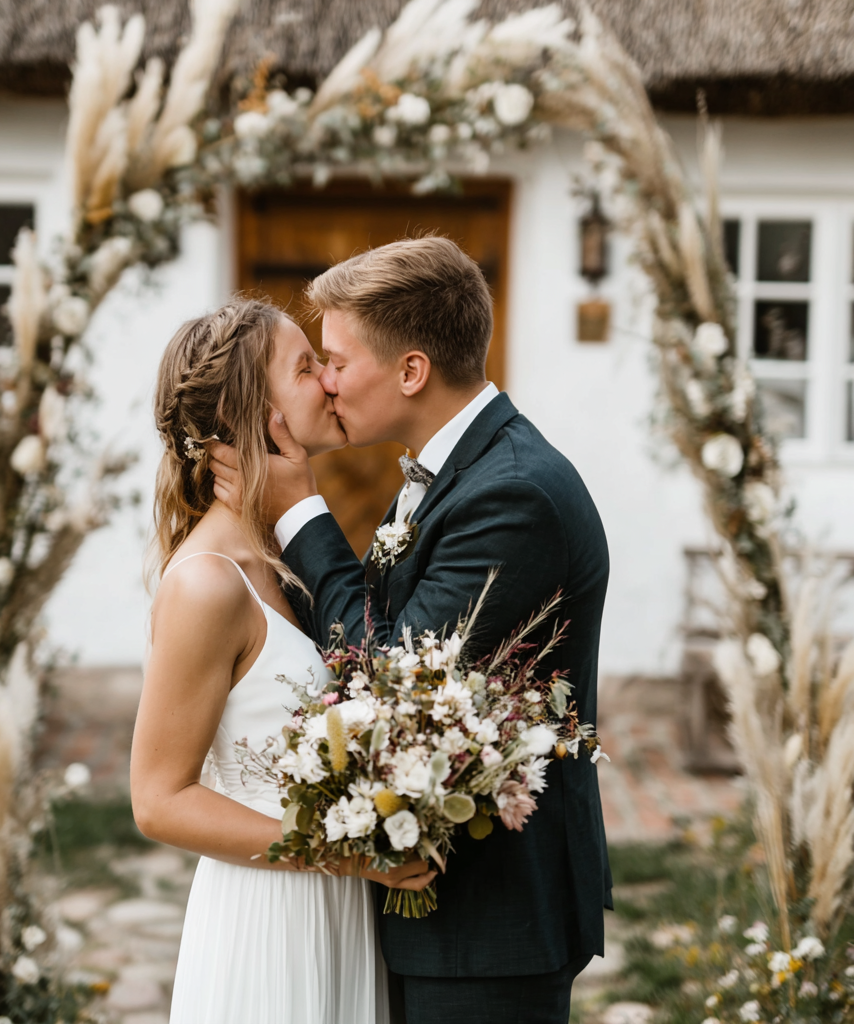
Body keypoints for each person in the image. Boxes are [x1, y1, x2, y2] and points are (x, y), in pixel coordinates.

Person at [210, 238, 613, 1024]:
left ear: (411, 371)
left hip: (490, 919)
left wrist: (299, 511)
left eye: (335, 359)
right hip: (441, 900)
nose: (325, 382)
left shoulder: (513, 496)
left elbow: (390, 673)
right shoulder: (459, 469)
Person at [130, 298, 434, 1024]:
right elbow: (158, 801)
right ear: (257, 413)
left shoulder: (283, 563)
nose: (331, 380)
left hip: (336, 911)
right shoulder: (206, 582)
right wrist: (347, 853)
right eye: (307, 367)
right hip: (267, 918)